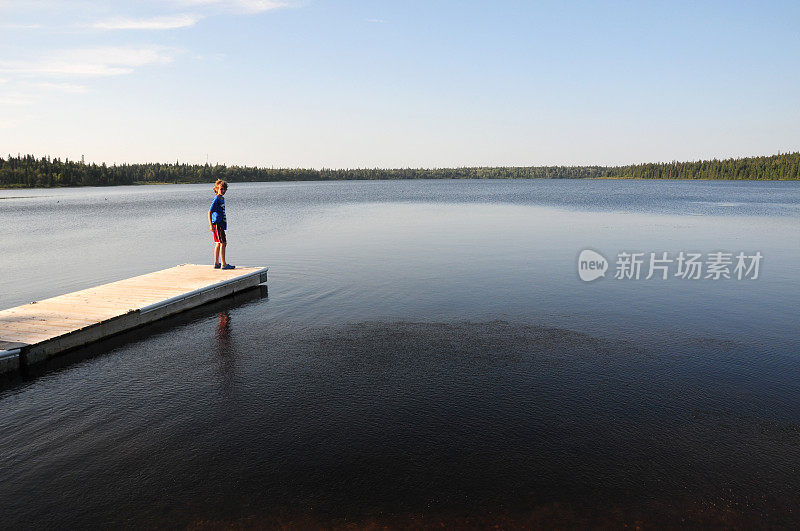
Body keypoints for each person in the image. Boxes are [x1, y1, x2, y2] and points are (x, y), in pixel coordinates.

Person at [209, 179, 235, 270]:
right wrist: (211, 224)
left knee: (218, 243)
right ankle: (224, 264)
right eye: (221, 189)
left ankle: (216, 263)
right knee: (223, 243)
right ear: (216, 189)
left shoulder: (222, 198)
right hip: (217, 224)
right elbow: (210, 211)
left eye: (224, 189)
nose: (223, 191)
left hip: (221, 224)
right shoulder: (216, 199)